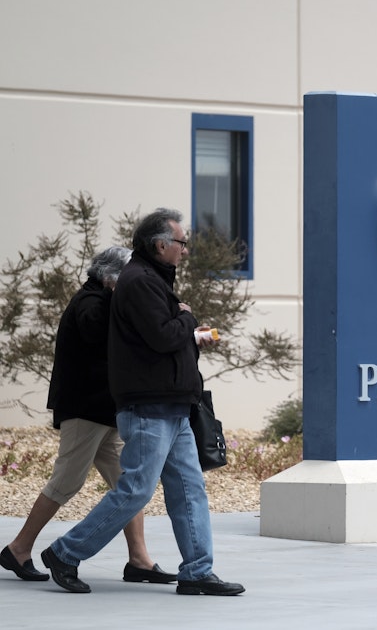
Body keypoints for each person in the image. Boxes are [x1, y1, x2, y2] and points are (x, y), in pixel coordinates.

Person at [40, 208, 244, 596]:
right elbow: (164, 336)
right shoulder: (139, 282)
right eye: (181, 243)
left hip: (172, 406)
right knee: (135, 489)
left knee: (189, 489)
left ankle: (198, 571)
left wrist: (183, 325)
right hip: (149, 406)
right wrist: (187, 318)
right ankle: (66, 552)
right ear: (160, 244)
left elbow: (163, 337)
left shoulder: (152, 280)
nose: (185, 250)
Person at [1, 246, 176, 585]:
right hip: (85, 410)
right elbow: (103, 338)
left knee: (130, 483)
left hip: (105, 411)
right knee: (67, 480)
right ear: (111, 277)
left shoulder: (102, 301)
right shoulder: (91, 304)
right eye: (127, 278)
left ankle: (139, 559)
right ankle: (19, 548)